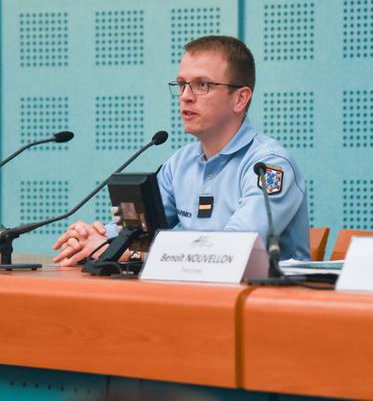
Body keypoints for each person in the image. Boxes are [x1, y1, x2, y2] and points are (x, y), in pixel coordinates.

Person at [53, 35, 311, 265]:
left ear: (240, 98)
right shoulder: (181, 163)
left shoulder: (268, 165)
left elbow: (233, 250)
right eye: (181, 84)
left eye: (202, 85)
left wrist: (132, 254)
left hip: (265, 300)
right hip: (195, 294)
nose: (185, 96)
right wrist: (94, 238)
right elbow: (137, 230)